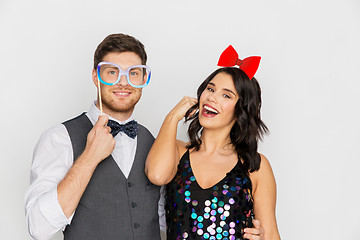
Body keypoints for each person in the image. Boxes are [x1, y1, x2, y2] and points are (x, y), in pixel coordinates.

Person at [25, 33, 165, 240]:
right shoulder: (59, 138)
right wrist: (89, 157)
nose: (123, 82)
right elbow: (39, 228)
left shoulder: (153, 141)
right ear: (95, 76)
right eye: (112, 72)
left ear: (144, 79)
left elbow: (166, 219)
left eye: (133, 73)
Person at [145, 45, 281, 240]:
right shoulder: (176, 149)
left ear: (241, 110)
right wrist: (173, 116)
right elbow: (157, 175)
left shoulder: (255, 166)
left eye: (226, 95)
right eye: (210, 89)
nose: (211, 97)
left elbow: (271, 235)